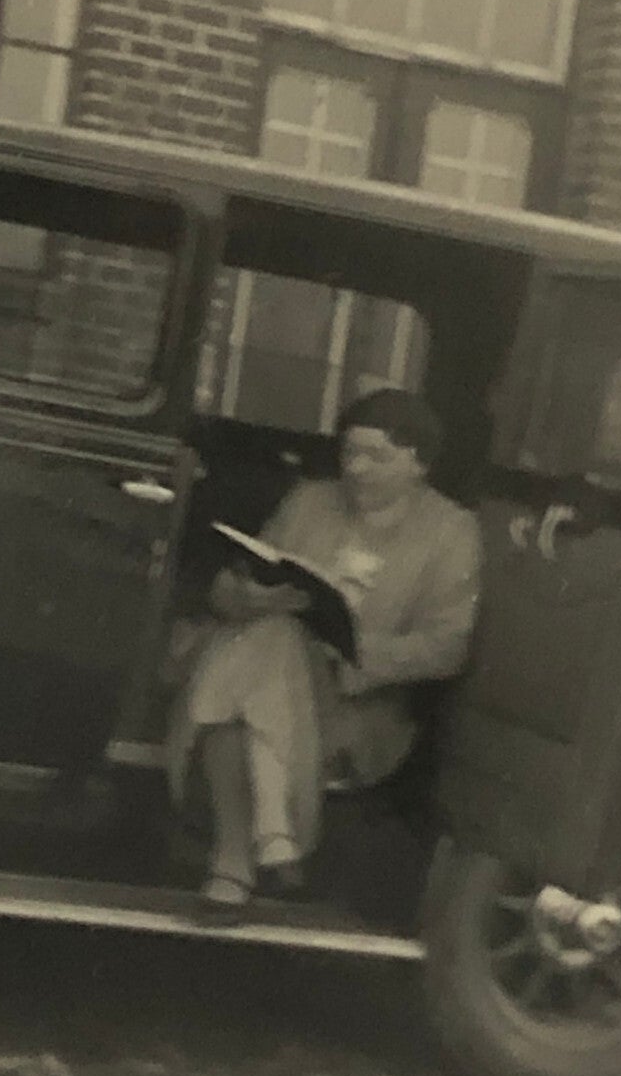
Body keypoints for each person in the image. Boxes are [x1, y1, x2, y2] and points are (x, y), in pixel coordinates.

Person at [166, 388, 484, 916]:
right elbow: (241, 577)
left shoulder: (452, 532)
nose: (356, 469)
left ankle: (235, 864)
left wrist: (351, 650)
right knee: (275, 639)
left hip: (353, 698)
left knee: (250, 679)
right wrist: (246, 597)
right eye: (348, 453)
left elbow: (445, 647)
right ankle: (271, 835)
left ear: (419, 464)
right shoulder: (309, 500)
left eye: (376, 456)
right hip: (265, 670)